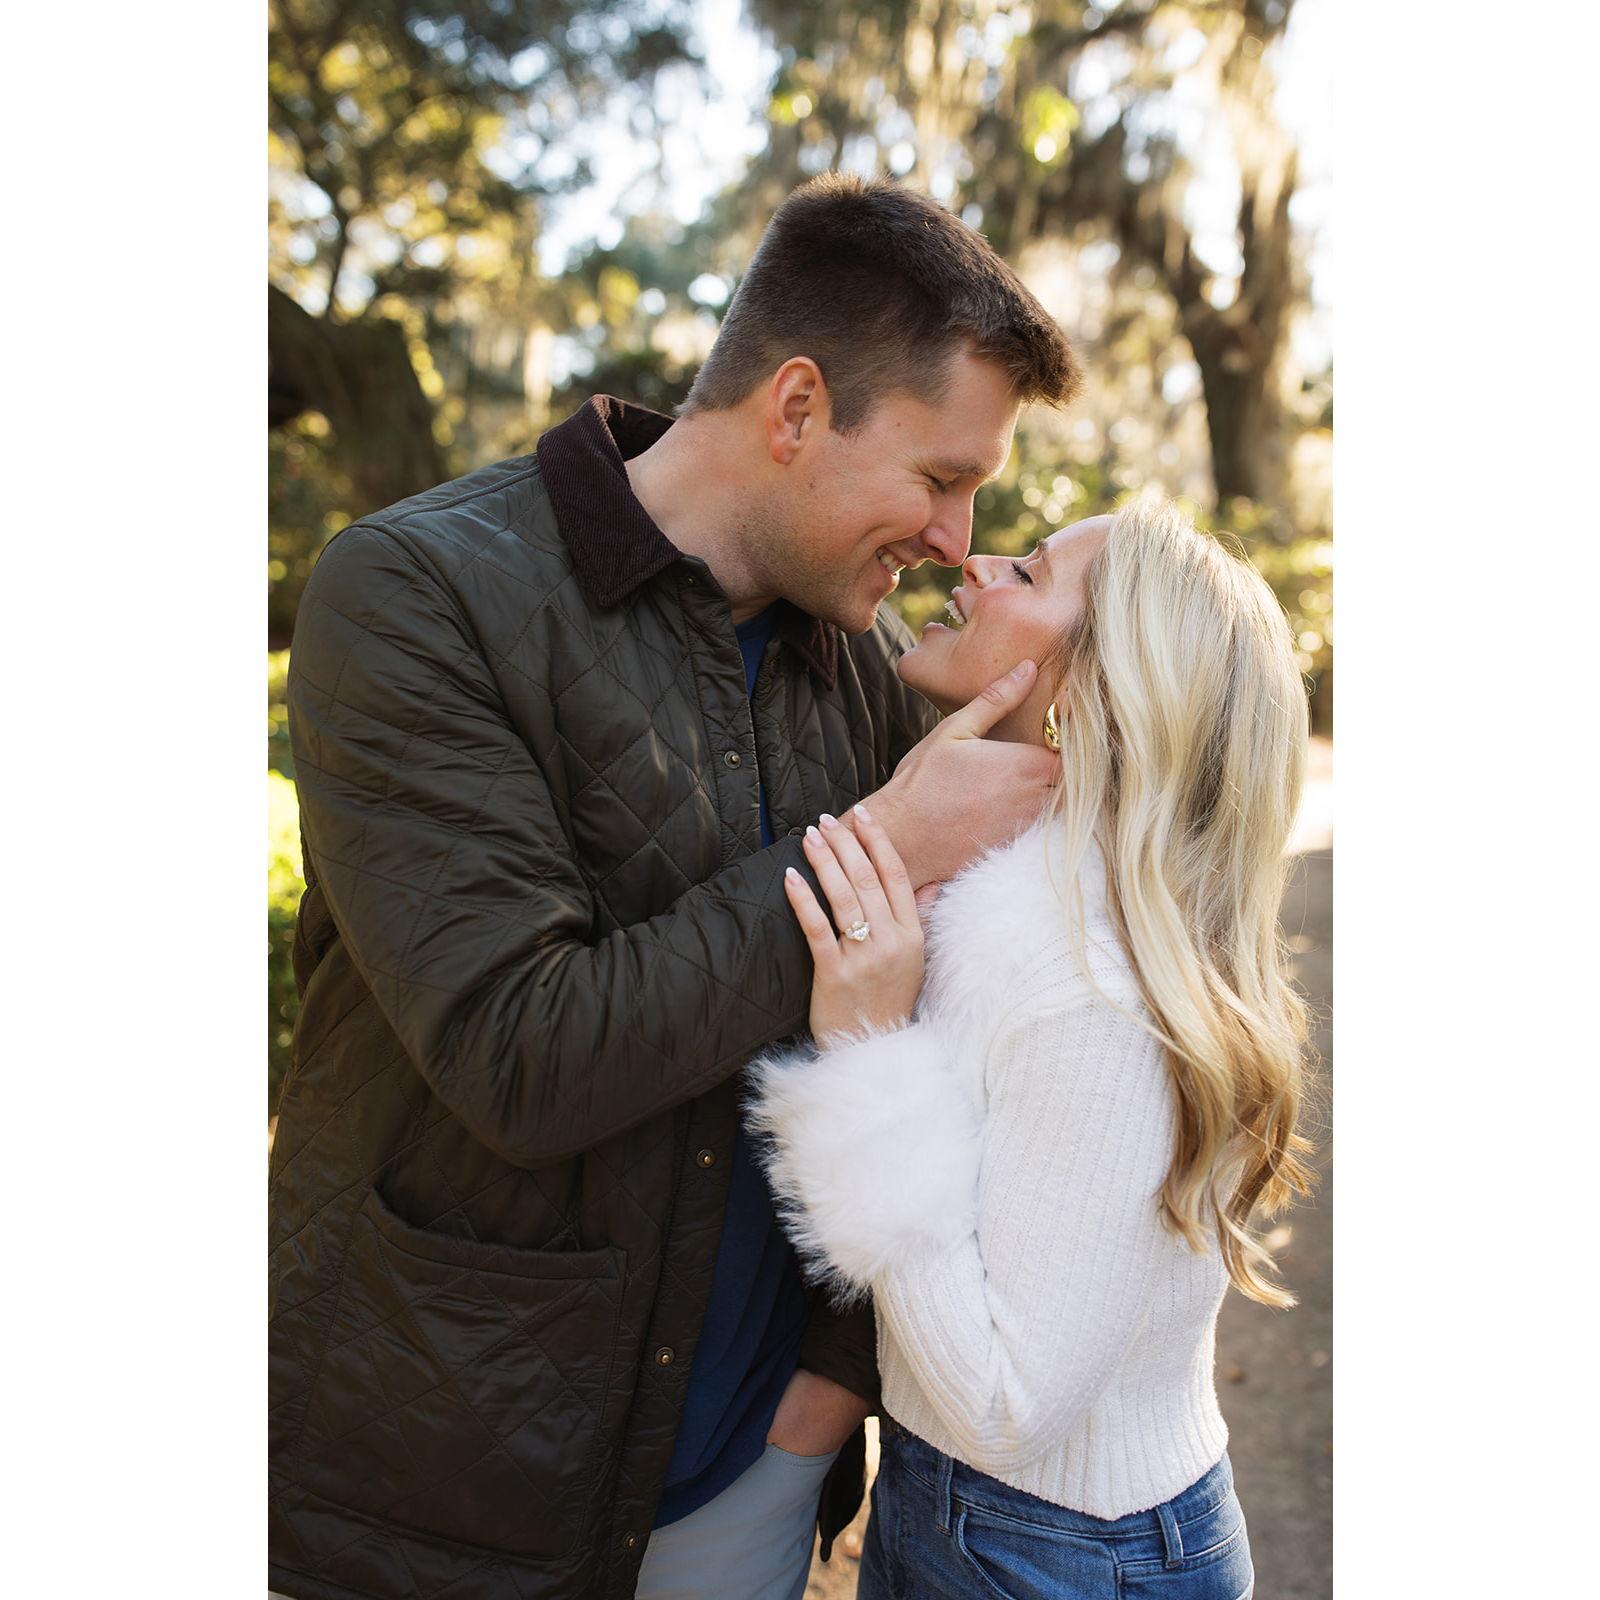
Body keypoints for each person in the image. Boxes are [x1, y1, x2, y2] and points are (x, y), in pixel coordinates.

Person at [268, 174, 1081, 1600]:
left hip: (748, 1478)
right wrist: (889, 843)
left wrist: (826, 1394)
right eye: (940, 478)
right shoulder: (414, 595)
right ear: (796, 408)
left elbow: (933, 1053)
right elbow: (520, 1053)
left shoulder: (865, 667)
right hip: (436, 1496)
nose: (957, 540)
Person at [747, 497, 1316, 1599]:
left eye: (1030, 572)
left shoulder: (1082, 989)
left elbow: (1003, 1410)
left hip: (1048, 1548)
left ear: (1090, 692)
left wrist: (866, 1049)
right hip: (1011, 1524)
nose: (974, 561)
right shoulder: (1020, 915)